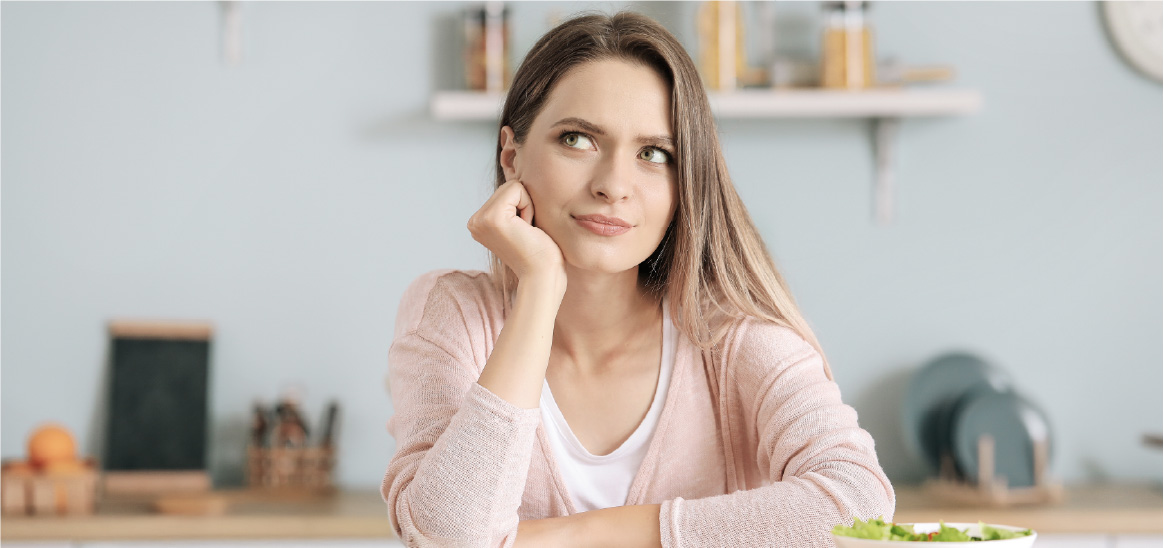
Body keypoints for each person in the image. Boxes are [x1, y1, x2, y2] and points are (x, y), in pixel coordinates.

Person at [380, 11, 894, 548]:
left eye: (653, 154)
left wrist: (576, 535)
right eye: (577, 139)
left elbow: (857, 501)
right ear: (511, 155)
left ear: (683, 181)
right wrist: (537, 290)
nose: (614, 186)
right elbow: (446, 537)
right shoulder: (455, 315)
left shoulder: (733, 337)